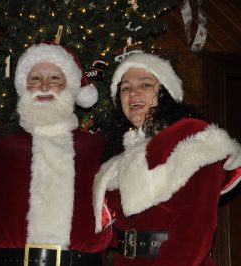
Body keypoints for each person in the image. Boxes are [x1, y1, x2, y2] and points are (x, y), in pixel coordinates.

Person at [93, 53, 241, 266]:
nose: (133, 93)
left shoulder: (193, 137)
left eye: (145, 84)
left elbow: (193, 232)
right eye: (124, 88)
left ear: (166, 93)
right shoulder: (119, 157)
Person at [0, 43, 113, 266]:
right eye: (35, 78)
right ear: (24, 87)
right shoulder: (1, 149)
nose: (45, 86)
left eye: (55, 79)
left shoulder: (96, 148)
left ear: (69, 87)